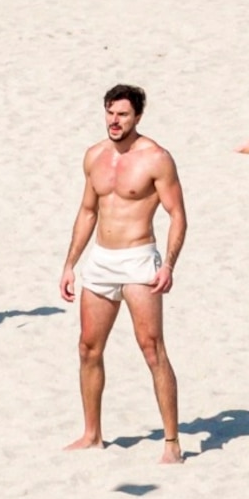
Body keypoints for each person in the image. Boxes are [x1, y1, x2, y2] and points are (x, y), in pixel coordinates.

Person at [60, 83, 189, 463]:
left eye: (122, 115)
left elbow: (177, 215)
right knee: (88, 348)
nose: (114, 121)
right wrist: (70, 264)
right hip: (100, 260)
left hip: (138, 260)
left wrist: (168, 264)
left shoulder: (156, 158)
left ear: (138, 117)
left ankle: (171, 442)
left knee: (152, 349)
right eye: (110, 113)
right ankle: (92, 434)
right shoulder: (95, 156)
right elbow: (87, 211)